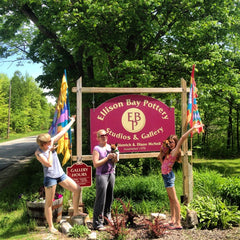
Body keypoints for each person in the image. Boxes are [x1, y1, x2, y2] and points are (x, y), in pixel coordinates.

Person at [35, 115, 82, 234]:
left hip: (60, 174)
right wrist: (51, 152)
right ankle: (51, 227)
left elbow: (63, 131)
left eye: (51, 140)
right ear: (43, 144)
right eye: (48, 142)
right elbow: (49, 164)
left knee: (77, 189)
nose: (51, 142)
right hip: (50, 178)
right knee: (49, 203)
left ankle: (76, 212)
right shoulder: (38, 153)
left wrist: (72, 121)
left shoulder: (50, 143)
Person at [158, 123, 204, 230]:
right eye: (169, 142)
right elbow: (161, 160)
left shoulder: (174, 151)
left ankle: (178, 223)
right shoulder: (168, 152)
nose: (171, 143)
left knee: (174, 199)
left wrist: (193, 128)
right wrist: (161, 154)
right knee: (170, 198)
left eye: (173, 142)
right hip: (165, 176)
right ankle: (172, 220)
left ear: (175, 143)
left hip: (169, 176)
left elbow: (183, 137)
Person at [92, 129, 119, 231]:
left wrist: (115, 157)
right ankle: (97, 223)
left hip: (111, 173)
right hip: (101, 175)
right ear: (98, 138)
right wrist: (107, 158)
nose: (104, 136)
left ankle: (107, 219)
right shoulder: (97, 149)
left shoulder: (110, 147)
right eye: (102, 135)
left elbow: (115, 161)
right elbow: (96, 164)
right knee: (101, 199)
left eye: (105, 135)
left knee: (109, 197)